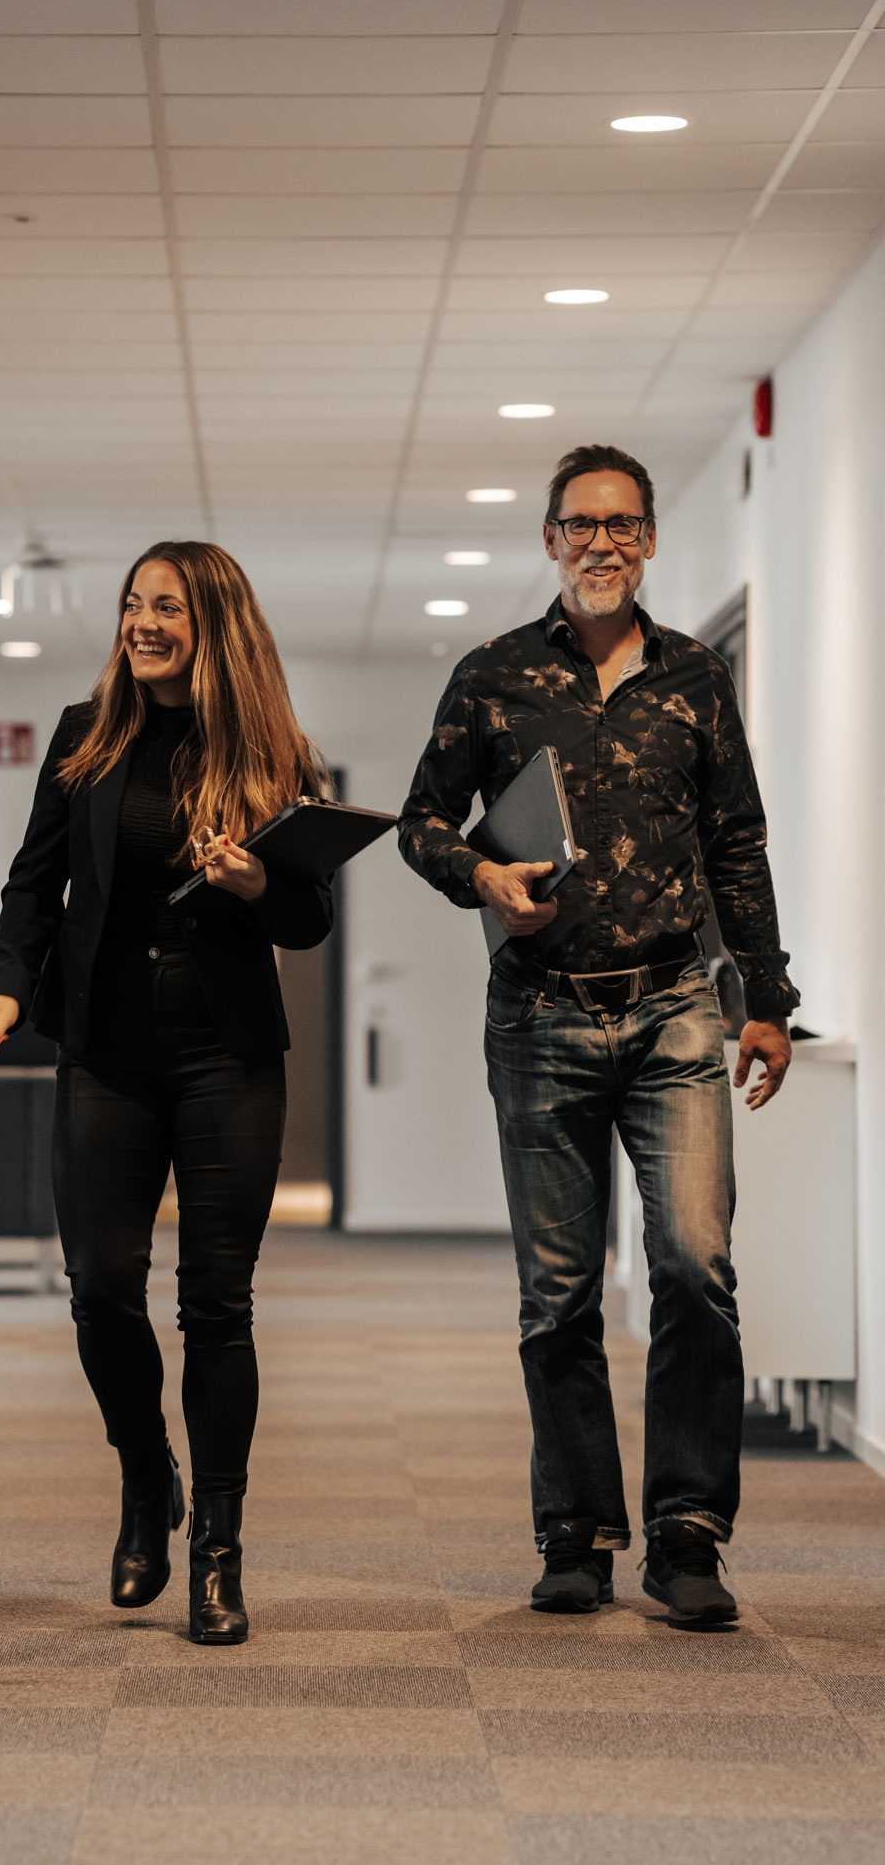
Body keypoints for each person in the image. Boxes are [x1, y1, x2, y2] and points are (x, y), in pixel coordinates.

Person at [399, 443, 799, 1625]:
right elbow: (421, 821)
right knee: (557, 1294)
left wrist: (767, 998)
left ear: (650, 540)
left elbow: (737, 846)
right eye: (579, 525)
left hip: (675, 1007)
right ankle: (571, 1530)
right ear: (548, 541)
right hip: (538, 1014)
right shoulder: (491, 677)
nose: (600, 545)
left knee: (691, 1270)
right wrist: (478, 874)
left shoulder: (693, 681)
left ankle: (686, 1535)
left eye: (622, 525)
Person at [0, 541, 331, 1645]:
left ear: (212, 622)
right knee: (101, 1288)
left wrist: (260, 879)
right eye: (131, 603)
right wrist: (8, 990)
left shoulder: (269, 750)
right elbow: (34, 884)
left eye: (164, 605)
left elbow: (306, 917)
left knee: (217, 1303)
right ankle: (143, 1477)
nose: (141, 621)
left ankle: (217, 1553)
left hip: (225, 1056)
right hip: (106, 1052)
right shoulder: (85, 738)